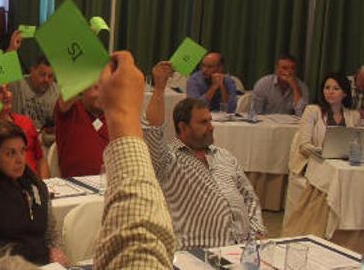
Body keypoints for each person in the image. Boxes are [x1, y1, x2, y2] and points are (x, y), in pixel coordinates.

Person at [145, 60, 265, 249]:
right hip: (198, 251)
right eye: (203, 122)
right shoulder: (168, 160)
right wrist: (159, 87)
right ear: (182, 127)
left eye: (210, 120)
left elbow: (249, 196)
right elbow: (152, 129)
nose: (211, 127)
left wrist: (257, 231)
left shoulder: (224, 156)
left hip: (241, 250)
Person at [0, 76, 66, 268]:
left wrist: (56, 257)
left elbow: (51, 234)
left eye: (22, 151)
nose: (20, 159)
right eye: (10, 153)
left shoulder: (34, 184)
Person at [92, 51, 175, 269]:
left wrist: (121, 114)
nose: (211, 126)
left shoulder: (225, 158)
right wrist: (123, 114)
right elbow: (137, 250)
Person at [284, 72, 363, 235]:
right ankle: (320, 227)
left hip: (340, 164)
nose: (330, 92)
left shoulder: (353, 115)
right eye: (327, 88)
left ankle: (346, 228)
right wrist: (322, 152)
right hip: (312, 162)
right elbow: (304, 145)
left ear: (345, 93)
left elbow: (355, 144)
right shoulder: (312, 111)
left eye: (336, 88)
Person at [0, 83, 48, 178]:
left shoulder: (25, 122)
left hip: (34, 185)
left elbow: (41, 160)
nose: (7, 95)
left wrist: (44, 186)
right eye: (0, 91)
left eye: (8, 89)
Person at [54, 83, 109, 177]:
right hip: (75, 186)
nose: (100, 93)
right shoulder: (71, 110)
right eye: (96, 87)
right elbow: (66, 97)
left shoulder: (112, 115)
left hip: (109, 184)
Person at [7, 55, 60, 135]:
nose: (46, 80)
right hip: (17, 135)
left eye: (50, 76)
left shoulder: (57, 92)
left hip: (43, 139)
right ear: (32, 70)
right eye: (42, 75)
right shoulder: (17, 84)